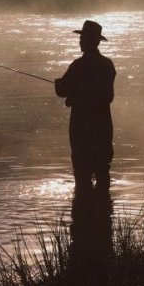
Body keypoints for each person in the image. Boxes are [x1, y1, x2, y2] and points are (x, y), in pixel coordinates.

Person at [55, 20, 116, 195]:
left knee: (82, 176)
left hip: (81, 127)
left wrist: (69, 93)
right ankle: (104, 215)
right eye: (81, 39)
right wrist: (74, 97)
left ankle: (82, 215)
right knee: (103, 173)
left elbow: (61, 90)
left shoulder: (78, 66)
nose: (80, 42)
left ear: (92, 41)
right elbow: (107, 97)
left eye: (83, 39)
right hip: (103, 126)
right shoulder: (107, 65)